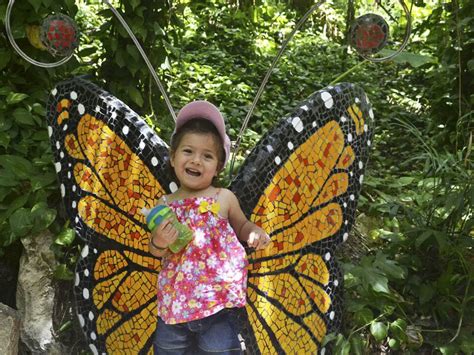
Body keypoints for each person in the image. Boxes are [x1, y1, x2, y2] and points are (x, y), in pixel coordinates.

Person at [149, 100, 271, 354]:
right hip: (174, 308)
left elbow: (242, 225)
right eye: (188, 151)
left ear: (218, 167)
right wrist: (159, 240)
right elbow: (156, 251)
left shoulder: (223, 197)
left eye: (207, 156)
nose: (196, 161)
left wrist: (254, 232)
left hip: (217, 304)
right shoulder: (164, 205)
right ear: (172, 157)